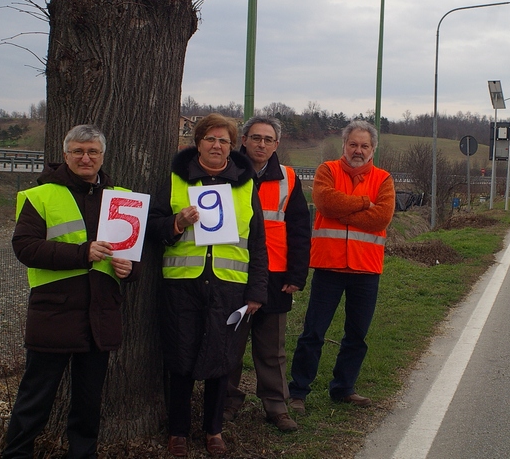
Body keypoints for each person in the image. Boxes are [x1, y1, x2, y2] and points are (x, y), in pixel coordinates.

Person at [3, 124, 136, 458]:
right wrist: (82, 253)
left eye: (92, 151)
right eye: (78, 151)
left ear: (103, 156)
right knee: (34, 400)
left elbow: (133, 254)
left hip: (100, 315)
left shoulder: (120, 198)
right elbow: (25, 248)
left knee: (89, 405)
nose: (85, 157)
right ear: (65, 155)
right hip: (54, 314)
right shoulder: (41, 195)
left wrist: (130, 269)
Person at [148, 113, 269, 457]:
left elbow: (258, 243)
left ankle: (214, 431)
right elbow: (154, 228)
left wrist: (257, 291)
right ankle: (178, 432)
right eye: (210, 139)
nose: (217, 146)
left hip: (230, 286)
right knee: (180, 359)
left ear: (232, 147)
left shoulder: (246, 186)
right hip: (182, 286)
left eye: (224, 141)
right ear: (197, 143)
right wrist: (176, 222)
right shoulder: (175, 180)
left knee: (222, 359)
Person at [288, 120, 395, 413]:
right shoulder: (328, 170)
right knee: (313, 333)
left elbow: (382, 218)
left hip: (366, 269)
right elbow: (324, 202)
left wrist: (343, 212)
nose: (358, 150)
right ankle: (298, 391)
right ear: (344, 145)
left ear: (373, 149)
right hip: (329, 267)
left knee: (357, 335)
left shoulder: (384, 179)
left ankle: (344, 388)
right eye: (353, 144)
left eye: (364, 146)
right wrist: (363, 203)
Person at [224, 116, 311, 432]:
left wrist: (296, 275)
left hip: (275, 275)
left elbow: (301, 231)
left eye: (268, 139)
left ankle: (276, 406)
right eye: (255, 137)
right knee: (230, 343)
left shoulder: (289, 178)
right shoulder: (226, 173)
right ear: (243, 140)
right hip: (232, 271)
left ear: (277, 144)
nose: (261, 144)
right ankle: (226, 402)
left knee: (272, 349)